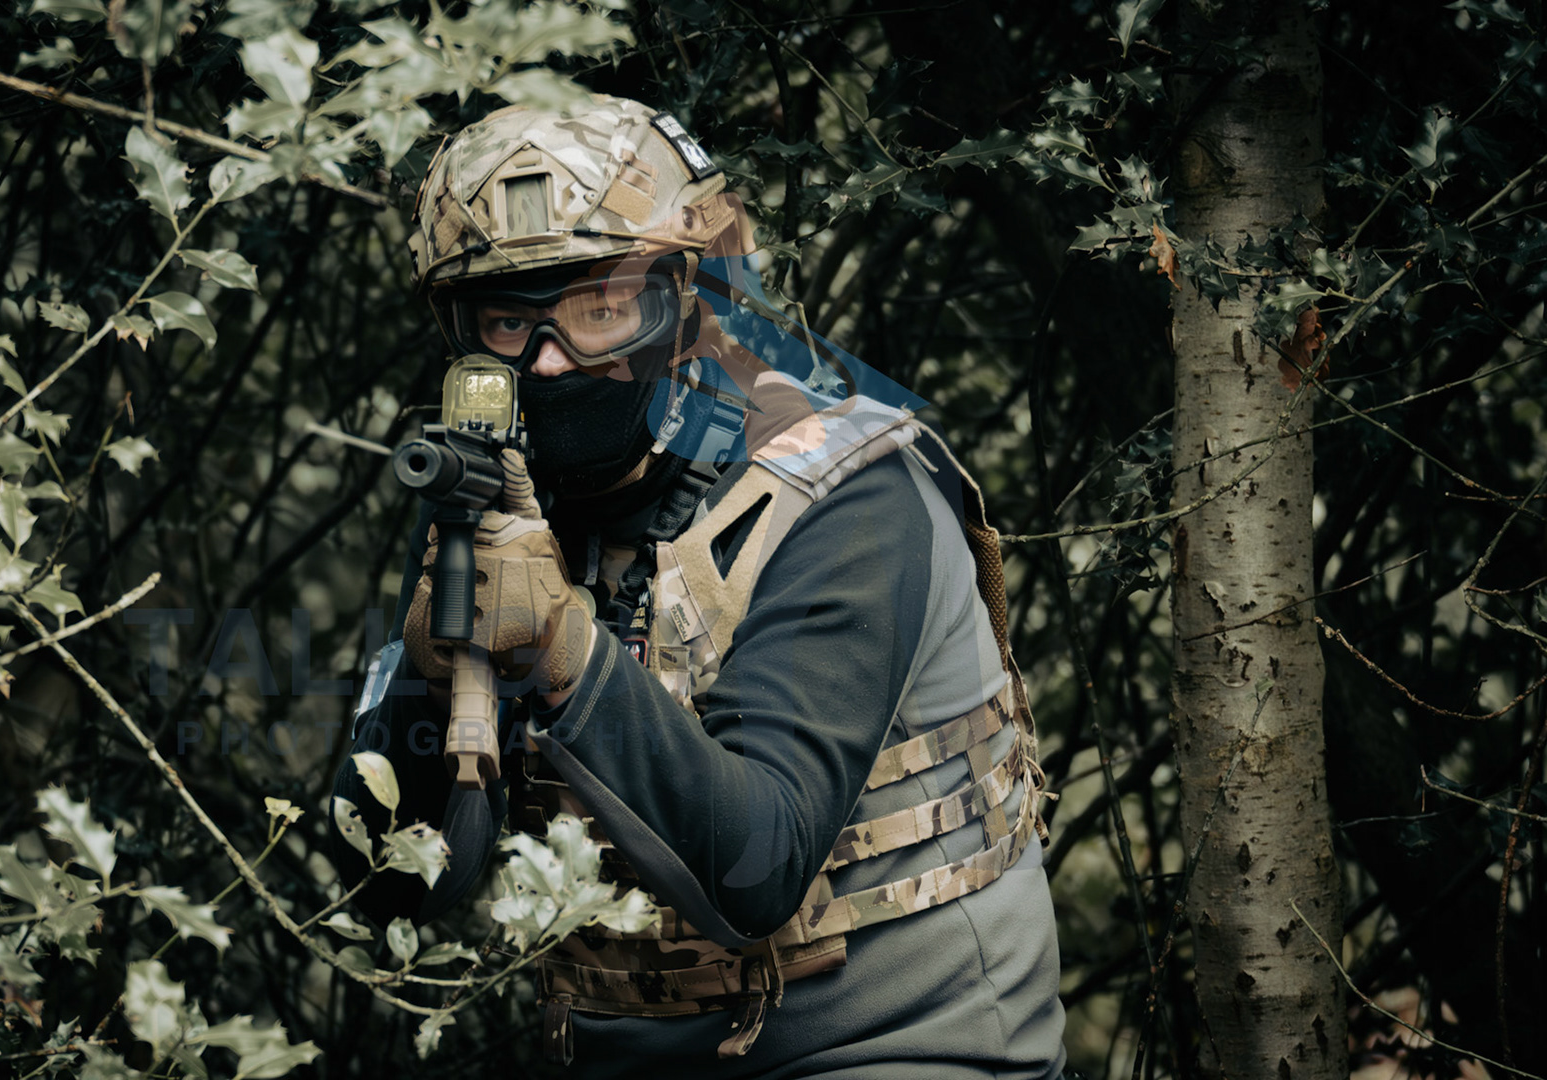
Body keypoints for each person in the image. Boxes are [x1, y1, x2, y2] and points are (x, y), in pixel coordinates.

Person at [333, 95, 1067, 1078]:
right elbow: (393, 888)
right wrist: (430, 684)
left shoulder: (844, 496)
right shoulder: (497, 498)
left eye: (599, 310)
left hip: (900, 1045)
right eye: (507, 321)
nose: (548, 360)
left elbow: (758, 866)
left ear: (687, 301)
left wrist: (561, 645)